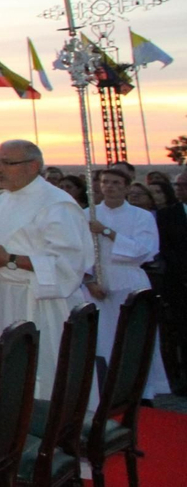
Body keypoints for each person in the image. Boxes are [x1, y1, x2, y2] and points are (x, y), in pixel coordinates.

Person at [0, 140, 93, 397]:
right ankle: (11, 428)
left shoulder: (56, 204)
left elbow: (69, 264)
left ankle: (56, 429)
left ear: (34, 166)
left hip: (44, 302)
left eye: (8, 163)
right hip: (5, 299)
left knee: (48, 371)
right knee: (10, 374)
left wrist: (11, 259)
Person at [83, 167, 171, 401]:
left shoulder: (141, 217)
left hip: (130, 282)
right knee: (102, 339)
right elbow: (79, 254)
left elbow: (144, 250)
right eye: (105, 182)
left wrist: (107, 231)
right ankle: (105, 390)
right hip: (97, 286)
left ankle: (141, 391)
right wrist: (89, 281)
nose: (109, 187)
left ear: (126, 186)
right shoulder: (87, 214)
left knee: (134, 337)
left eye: (115, 182)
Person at [156, 172, 187, 392]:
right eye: (177, 184)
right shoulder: (167, 215)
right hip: (180, 283)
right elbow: (165, 249)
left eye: (183, 185)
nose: (179, 188)